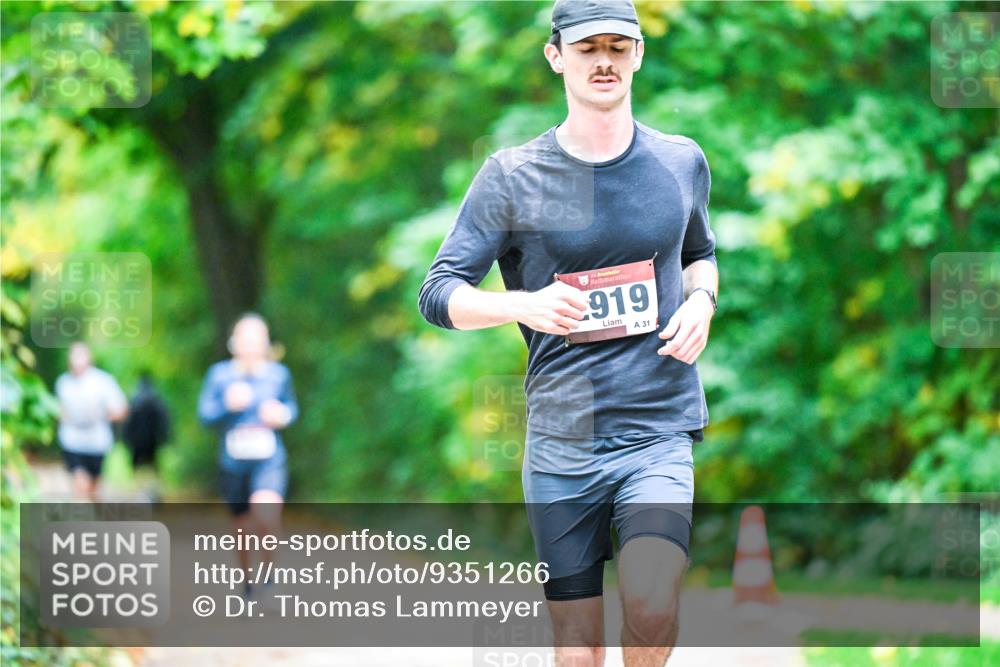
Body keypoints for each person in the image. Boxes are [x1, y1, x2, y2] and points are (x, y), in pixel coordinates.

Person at [418, 1, 719, 664]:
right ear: (556, 57)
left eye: (618, 46)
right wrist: (522, 305)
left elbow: (700, 253)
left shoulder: (680, 161)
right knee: (578, 647)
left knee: (651, 602)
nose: (604, 61)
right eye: (587, 48)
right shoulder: (512, 176)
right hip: (564, 443)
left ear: (639, 54)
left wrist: (703, 300)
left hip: (656, 430)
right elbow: (437, 293)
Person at [197, 312, 298, 603]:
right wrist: (226, 405)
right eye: (246, 339)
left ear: (266, 343)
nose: (252, 345)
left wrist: (282, 415)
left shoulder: (278, 375)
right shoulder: (219, 375)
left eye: (257, 339)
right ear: (234, 343)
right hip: (233, 462)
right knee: (241, 528)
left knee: (266, 513)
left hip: (269, 459)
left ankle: (270, 577)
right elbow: (205, 415)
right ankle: (247, 585)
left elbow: (292, 409)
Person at [54, 342, 129, 502]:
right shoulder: (63, 383)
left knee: (94, 488)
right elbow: (59, 410)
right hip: (72, 439)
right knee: (80, 483)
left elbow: (121, 409)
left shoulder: (103, 381)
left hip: (96, 441)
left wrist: (104, 415)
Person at [122, 371, 171, 502]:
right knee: (153, 467)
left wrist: (126, 439)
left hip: (136, 442)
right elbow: (164, 420)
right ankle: (154, 492)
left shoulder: (134, 398)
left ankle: (140, 494)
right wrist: (164, 438)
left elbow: (127, 422)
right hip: (153, 441)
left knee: (136, 468)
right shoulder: (156, 398)